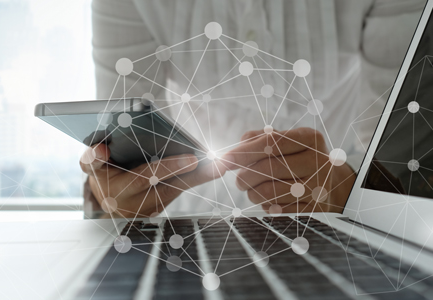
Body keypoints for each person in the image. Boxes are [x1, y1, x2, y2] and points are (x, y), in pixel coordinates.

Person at [81, 0, 425, 218]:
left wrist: (343, 188)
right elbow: (120, 141)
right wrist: (108, 196)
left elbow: (406, 158)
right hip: (185, 230)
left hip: (327, 220)